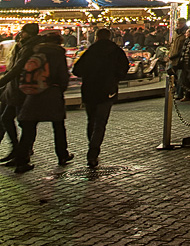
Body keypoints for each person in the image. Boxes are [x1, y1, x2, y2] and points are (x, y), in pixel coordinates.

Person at [14, 32, 72, 173]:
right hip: (51, 93)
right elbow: (63, 76)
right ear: (59, 42)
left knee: (28, 128)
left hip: (33, 93)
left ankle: (21, 161)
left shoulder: (35, 51)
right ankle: (62, 155)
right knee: (58, 126)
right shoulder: (58, 54)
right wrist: (60, 90)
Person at [72, 28, 130, 168]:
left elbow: (76, 70)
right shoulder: (116, 51)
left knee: (91, 120)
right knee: (101, 123)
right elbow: (124, 68)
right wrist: (114, 78)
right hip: (107, 90)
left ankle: (91, 146)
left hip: (89, 90)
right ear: (110, 37)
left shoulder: (90, 51)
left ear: (96, 37)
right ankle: (93, 152)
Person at [0, 23, 41, 165]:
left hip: (23, 89)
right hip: (16, 89)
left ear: (28, 33)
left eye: (22, 32)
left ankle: (21, 153)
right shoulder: (24, 45)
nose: (20, 34)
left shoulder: (30, 48)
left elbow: (18, 68)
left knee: (24, 122)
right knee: (8, 118)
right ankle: (19, 151)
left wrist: (3, 81)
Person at [167, 18, 187, 92]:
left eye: (180, 23)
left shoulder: (185, 33)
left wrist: (175, 55)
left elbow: (183, 48)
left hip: (179, 58)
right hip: (172, 57)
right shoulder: (175, 32)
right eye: (177, 23)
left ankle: (180, 92)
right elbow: (172, 44)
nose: (178, 25)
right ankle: (174, 88)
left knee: (180, 76)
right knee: (170, 72)